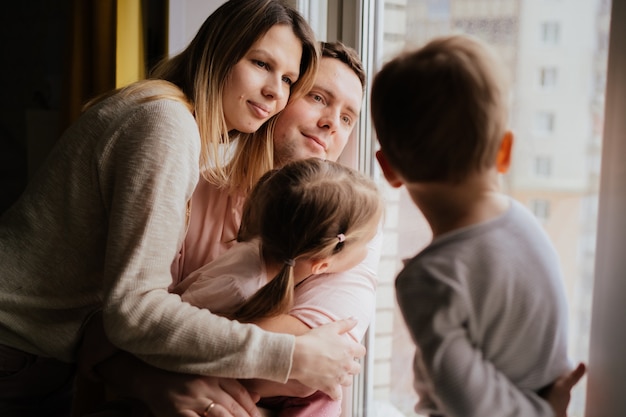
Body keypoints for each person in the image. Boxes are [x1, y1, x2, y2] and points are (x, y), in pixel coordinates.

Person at [0, 1, 366, 417]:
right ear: (220, 52)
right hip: (13, 349)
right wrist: (289, 355)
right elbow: (135, 311)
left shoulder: (167, 118)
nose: (274, 91)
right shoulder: (168, 126)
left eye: (287, 79)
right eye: (261, 64)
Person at [371, 34, 586, 417]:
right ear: (505, 152)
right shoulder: (526, 226)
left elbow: (468, 402)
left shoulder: (430, 279)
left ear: (388, 169)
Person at [173, 157, 384, 416]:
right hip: (205, 375)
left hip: (243, 370)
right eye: (366, 242)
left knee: (321, 394)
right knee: (320, 394)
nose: (369, 249)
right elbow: (181, 335)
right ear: (320, 265)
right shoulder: (236, 285)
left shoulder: (276, 257)